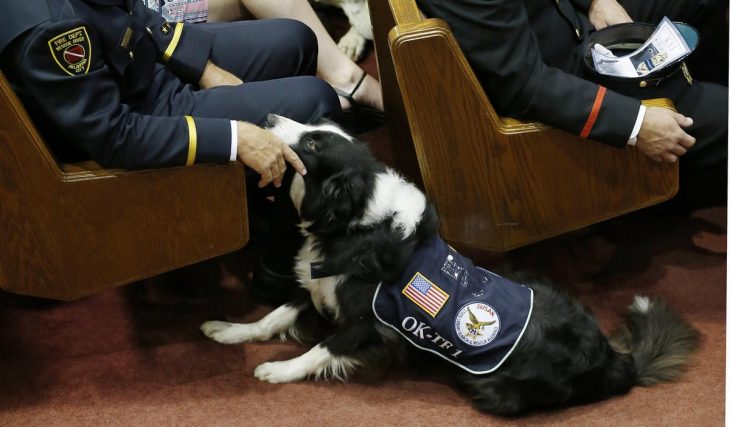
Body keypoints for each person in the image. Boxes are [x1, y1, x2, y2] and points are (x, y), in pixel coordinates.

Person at [0, 0, 343, 190]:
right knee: (315, 100)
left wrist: (200, 66)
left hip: (145, 61)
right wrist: (236, 137)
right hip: (141, 112)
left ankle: (258, 194)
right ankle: (277, 265)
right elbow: (114, 137)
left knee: (295, 40)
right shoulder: (51, 30)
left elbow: (131, 9)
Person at [417, 0, 728, 207]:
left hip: (568, 22)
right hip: (566, 85)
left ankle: (700, 121)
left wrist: (594, 1)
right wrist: (635, 124)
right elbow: (523, 87)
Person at [142, 0, 384, 115]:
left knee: (297, 37)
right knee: (296, 43)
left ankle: (341, 72)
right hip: (150, 26)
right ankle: (346, 77)